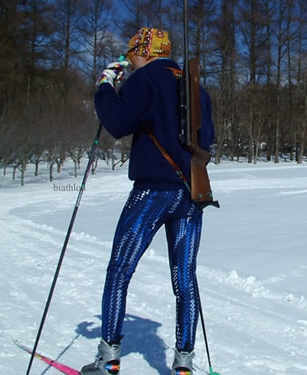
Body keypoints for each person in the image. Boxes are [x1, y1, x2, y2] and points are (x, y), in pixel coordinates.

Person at [81, 27, 215, 375]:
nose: (130, 61)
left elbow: (118, 122)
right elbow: (208, 139)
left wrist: (105, 86)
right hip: (190, 195)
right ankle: (184, 361)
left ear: (146, 52)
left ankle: (108, 356)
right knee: (185, 278)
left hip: (151, 193)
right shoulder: (195, 87)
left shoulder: (144, 80)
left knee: (120, 270)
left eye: (131, 55)